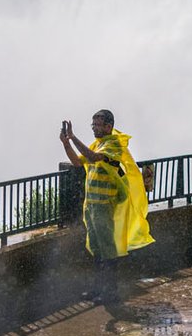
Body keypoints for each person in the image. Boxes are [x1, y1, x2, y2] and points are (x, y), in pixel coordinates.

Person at [59, 109, 153, 302]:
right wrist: (66, 143)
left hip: (104, 206)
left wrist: (74, 138)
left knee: (107, 252)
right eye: (93, 125)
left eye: (98, 124)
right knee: (97, 251)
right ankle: (98, 289)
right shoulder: (98, 144)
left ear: (109, 126)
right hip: (92, 206)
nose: (94, 128)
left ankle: (110, 291)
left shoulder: (113, 146)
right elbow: (77, 162)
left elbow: (94, 157)